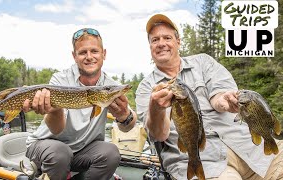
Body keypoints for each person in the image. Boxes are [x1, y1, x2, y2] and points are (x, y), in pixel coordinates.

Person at [135, 13, 283, 180]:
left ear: (178, 41)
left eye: (167, 38)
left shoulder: (203, 62)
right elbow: (158, 135)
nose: (161, 43)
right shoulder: (146, 88)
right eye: (155, 40)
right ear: (150, 46)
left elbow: (219, 96)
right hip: (205, 161)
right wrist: (157, 109)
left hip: (250, 147)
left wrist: (225, 100)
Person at [23, 28, 137, 180]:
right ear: (74, 56)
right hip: (46, 145)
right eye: (83, 52)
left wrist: (124, 116)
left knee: (110, 152)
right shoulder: (60, 80)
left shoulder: (109, 87)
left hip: (82, 151)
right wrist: (55, 111)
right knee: (60, 153)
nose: (89, 57)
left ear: (104, 54)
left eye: (94, 51)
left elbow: (129, 126)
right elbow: (57, 129)